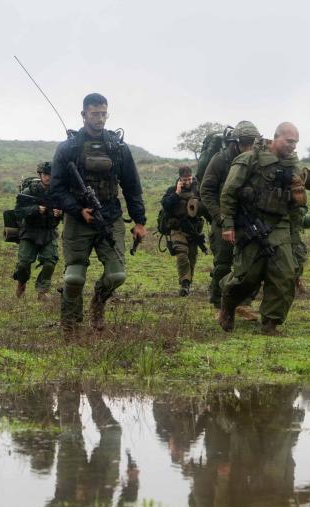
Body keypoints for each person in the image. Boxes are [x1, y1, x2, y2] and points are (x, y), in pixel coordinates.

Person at [48, 93, 146, 332]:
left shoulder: (118, 148)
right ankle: (70, 326)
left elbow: (132, 186)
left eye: (104, 113)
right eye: (94, 114)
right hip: (77, 219)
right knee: (74, 278)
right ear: (83, 115)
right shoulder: (68, 148)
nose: (100, 118)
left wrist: (139, 221)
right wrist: (78, 210)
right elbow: (56, 190)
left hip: (110, 217)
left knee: (117, 275)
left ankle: (98, 303)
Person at [217, 122, 305, 336]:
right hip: (251, 224)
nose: (293, 146)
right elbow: (229, 192)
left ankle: (270, 322)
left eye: (296, 143)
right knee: (247, 277)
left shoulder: (293, 167)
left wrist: (296, 233)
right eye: (289, 141)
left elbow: (297, 207)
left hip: (281, 225)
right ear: (276, 138)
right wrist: (228, 224)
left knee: (284, 275)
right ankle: (227, 304)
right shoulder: (249, 160)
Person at [199, 121, 261, 320]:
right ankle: (220, 305)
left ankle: (242, 304)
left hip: (248, 220)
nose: (249, 147)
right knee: (223, 264)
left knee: (250, 264)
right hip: (223, 218)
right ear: (236, 142)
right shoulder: (220, 160)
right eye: (245, 143)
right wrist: (219, 216)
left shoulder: (257, 160)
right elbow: (206, 190)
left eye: (252, 143)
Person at [12, 161, 62, 300]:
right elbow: (18, 211)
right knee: (23, 263)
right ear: (40, 175)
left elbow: (69, 209)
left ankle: (42, 290)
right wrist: (36, 209)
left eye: (51, 175)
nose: (48, 177)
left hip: (48, 232)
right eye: (46, 174)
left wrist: (60, 213)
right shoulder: (30, 191)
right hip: (30, 232)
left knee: (50, 261)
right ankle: (21, 282)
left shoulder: (58, 192)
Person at [160, 165, 204, 296]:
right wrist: (177, 194)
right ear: (180, 178)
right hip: (177, 229)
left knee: (192, 257)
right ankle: (184, 283)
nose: (187, 182)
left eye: (189, 179)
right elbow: (166, 205)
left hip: (194, 230)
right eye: (184, 179)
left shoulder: (198, 191)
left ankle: (188, 283)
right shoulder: (172, 190)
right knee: (181, 255)